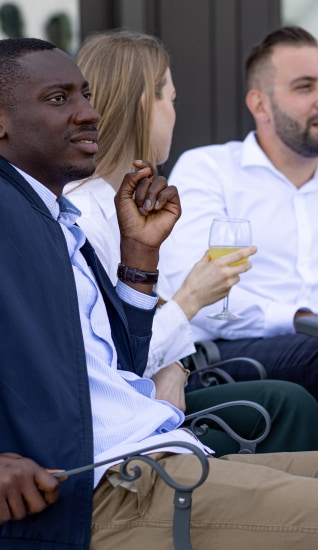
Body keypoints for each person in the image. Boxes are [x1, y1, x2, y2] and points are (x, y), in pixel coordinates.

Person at [0, 37, 318, 550]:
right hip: (104, 494)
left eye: (85, 94)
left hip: (162, 458)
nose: (88, 113)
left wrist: (139, 256)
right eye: (58, 99)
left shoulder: (60, 221)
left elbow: (123, 369)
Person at [65, 29, 318, 454]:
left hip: (155, 381)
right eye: (172, 99)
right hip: (117, 425)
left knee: (288, 402)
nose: (175, 113)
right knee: (293, 395)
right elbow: (105, 354)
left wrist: (174, 366)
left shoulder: (119, 203)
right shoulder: (86, 217)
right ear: (147, 104)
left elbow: (138, 324)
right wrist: (191, 300)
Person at [158, 25, 318, 397]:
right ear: (259, 104)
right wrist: (299, 319)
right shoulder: (210, 170)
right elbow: (197, 291)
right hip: (226, 355)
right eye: (305, 87)